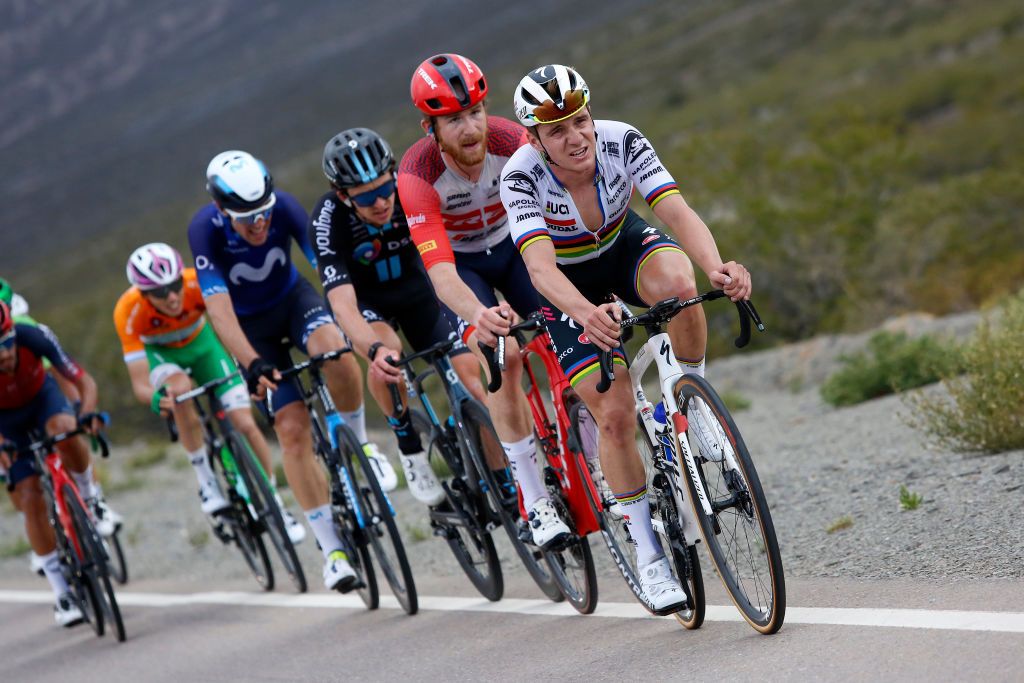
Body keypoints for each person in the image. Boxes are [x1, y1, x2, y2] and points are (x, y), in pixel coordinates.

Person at [500, 64, 752, 612]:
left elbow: (676, 211)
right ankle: (649, 553)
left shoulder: (623, 140)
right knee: (613, 413)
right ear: (535, 139)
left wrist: (718, 266)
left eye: (580, 120)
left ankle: (694, 405)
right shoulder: (520, 176)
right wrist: (586, 314)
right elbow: (540, 270)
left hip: (622, 245)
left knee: (680, 285)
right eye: (557, 130)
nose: (576, 137)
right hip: (567, 284)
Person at [187, 150, 380, 591]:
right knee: (291, 430)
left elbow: (329, 272)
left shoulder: (286, 207)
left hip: (295, 302)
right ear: (221, 209)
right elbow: (218, 311)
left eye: (262, 213)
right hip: (251, 330)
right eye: (245, 217)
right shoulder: (204, 229)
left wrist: (353, 320)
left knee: (335, 348)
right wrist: (251, 363)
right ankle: (332, 551)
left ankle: (362, 445)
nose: (257, 224)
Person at [398, 53, 569, 548]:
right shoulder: (416, 176)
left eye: (475, 112)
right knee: (504, 355)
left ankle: (592, 462)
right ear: (430, 126)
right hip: (462, 267)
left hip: (516, 248)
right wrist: (479, 314)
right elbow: (441, 272)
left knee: (572, 333)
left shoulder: (512, 141)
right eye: (453, 119)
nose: (470, 128)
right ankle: (533, 501)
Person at [113, 243, 305, 542]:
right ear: (143, 293)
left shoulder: (196, 284)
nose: (173, 296)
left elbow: (231, 328)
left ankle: (274, 502)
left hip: (204, 347)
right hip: (163, 357)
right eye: (161, 293)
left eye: (174, 285)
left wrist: (249, 366)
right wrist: (155, 398)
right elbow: (140, 382)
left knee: (244, 423)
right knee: (180, 390)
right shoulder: (128, 311)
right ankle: (206, 481)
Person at [311, 128, 452, 506]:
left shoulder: (407, 190)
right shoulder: (328, 218)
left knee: (469, 372)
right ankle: (409, 449)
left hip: (417, 291)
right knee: (387, 354)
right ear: (343, 196)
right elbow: (341, 304)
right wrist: (372, 349)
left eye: (385, 188)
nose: (381, 202)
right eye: (367, 196)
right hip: (366, 303)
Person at [0, 300, 112, 626]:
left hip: (40, 399)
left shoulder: (32, 336)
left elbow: (83, 380)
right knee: (30, 495)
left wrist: (87, 412)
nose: (5, 354)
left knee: (65, 432)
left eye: (7, 342)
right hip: (6, 422)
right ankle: (62, 592)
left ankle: (91, 497)